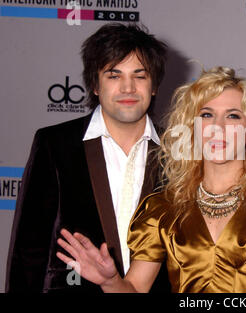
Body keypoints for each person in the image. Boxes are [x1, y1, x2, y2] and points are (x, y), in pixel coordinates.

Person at [6, 23, 169, 293]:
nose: (128, 88)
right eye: (114, 76)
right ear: (95, 84)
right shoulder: (55, 144)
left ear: (154, 86)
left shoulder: (177, 152)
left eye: (140, 76)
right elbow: (28, 250)